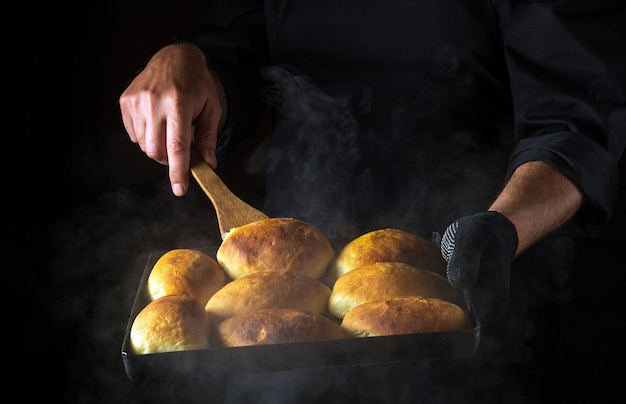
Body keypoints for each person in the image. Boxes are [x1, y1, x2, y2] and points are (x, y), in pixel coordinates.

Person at [119, 0, 625, 402]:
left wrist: (502, 227)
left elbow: (576, 122)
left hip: (475, 266)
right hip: (283, 292)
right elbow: (237, 47)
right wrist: (192, 62)